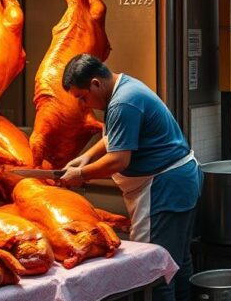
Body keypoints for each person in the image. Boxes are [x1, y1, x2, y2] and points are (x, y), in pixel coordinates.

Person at [60, 54, 202, 301]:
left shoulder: (122, 102)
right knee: (176, 261)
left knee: (155, 269)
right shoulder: (124, 87)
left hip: (164, 188)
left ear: (95, 83)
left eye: (82, 98)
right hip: (180, 181)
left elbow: (119, 159)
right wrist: (86, 157)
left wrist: (81, 175)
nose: (83, 106)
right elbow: (117, 136)